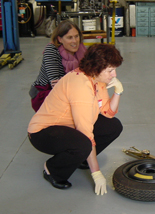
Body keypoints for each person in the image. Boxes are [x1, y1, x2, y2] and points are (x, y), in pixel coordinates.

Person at [27, 43, 124, 195]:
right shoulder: (80, 86)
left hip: (69, 125)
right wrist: (96, 173)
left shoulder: (97, 79)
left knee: (113, 126)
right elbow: (86, 133)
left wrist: (118, 92)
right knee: (83, 144)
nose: (114, 75)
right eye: (110, 70)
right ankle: (52, 170)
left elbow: (108, 113)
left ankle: (82, 159)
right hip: (43, 132)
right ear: (96, 67)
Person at [29, 20, 87, 112]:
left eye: (76, 36)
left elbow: (90, 72)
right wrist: (81, 81)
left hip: (68, 91)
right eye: (69, 37)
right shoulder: (52, 50)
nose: (75, 41)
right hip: (44, 93)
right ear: (60, 39)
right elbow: (56, 85)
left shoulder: (81, 50)